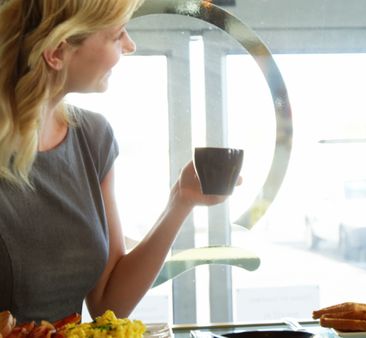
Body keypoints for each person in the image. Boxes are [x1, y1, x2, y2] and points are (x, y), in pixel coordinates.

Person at [0, 0, 237, 322]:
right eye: (117, 36)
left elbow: (108, 304)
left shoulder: (93, 138)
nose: (130, 46)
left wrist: (180, 202)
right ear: (57, 52)